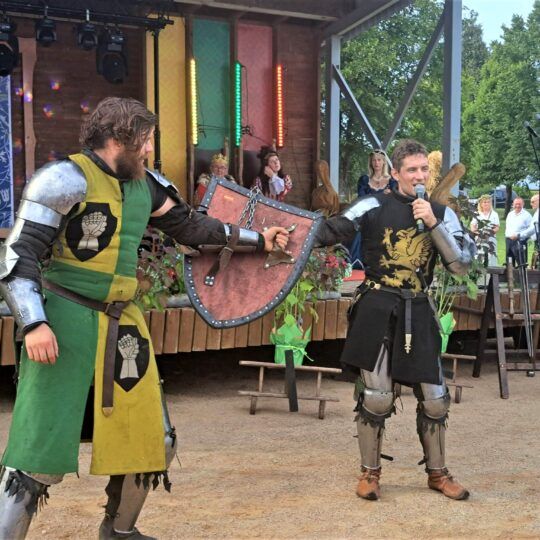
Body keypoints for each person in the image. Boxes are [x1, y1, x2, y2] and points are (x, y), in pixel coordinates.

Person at [0, 97, 288, 540]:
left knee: (153, 438)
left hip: (123, 326)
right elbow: (18, 257)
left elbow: (193, 228)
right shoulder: (62, 180)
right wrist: (35, 323)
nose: (151, 149)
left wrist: (258, 239)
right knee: (37, 450)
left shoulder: (146, 186)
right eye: (146, 139)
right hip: (64, 323)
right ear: (119, 138)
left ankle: (119, 531)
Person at [315, 139, 475, 501]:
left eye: (424, 169)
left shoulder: (442, 213)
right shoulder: (372, 204)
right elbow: (331, 230)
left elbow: (461, 265)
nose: (419, 176)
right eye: (411, 170)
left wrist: (432, 222)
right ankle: (369, 473)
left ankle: (438, 474)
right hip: (377, 304)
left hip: (417, 305)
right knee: (377, 397)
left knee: (436, 399)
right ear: (395, 173)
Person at [349, 149, 397, 268]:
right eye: (374, 160)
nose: (376, 163)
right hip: (367, 213)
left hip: (385, 213)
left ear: (384, 162)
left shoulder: (391, 180)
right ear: (371, 162)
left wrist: (388, 195)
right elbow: (362, 198)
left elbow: (395, 199)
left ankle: (385, 260)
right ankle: (357, 261)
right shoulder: (364, 179)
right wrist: (381, 194)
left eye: (379, 160)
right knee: (357, 225)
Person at [470, 194, 500, 267]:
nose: (486, 204)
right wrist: (480, 234)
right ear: (481, 204)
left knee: (491, 257)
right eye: (484, 202)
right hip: (479, 239)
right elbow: (472, 227)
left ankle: (492, 272)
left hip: (491, 239)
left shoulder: (494, 214)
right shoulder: (477, 214)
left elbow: (497, 227)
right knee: (479, 256)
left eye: (488, 202)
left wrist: (489, 234)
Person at [504, 197, 532, 265]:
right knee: (509, 262)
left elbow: (530, 230)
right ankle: (510, 272)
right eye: (516, 204)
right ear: (513, 204)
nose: (517, 205)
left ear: (523, 204)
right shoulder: (510, 214)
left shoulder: (527, 215)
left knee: (521, 263)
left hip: (520, 241)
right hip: (509, 241)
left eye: (519, 204)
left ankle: (522, 272)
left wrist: (519, 236)